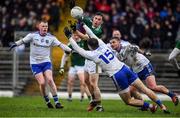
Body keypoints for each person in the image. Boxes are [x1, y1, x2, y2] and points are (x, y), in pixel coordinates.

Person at [63, 24, 170, 114]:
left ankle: (150, 106)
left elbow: (78, 48)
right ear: (97, 42)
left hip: (118, 75)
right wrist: (83, 24)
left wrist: (69, 37)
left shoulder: (92, 54)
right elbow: (91, 34)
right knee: (145, 89)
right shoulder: (104, 45)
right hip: (125, 69)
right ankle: (162, 106)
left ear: (90, 47)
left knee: (128, 101)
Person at [9, 20, 72, 109]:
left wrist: (70, 50)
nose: (45, 28)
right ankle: (47, 100)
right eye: (43, 26)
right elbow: (22, 41)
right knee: (42, 83)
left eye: (46, 27)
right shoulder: (32, 36)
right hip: (35, 63)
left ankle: (57, 102)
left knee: (50, 80)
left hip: (46, 62)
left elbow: (61, 45)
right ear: (39, 27)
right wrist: (15, 44)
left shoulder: (51, 38)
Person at [109, 37, 179, 106]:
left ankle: (172, 95)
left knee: (152, 87)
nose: (112, 44)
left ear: (119, 42)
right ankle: (143, 105)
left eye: (114, 42)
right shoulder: (116, 54)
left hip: (144, 65)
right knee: (132, 90)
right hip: (135, 69)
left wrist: (145, 53)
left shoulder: (126, 47)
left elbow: (136, 48)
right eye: (110, 43)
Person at [70, 12, 104, 111]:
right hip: (87, 58)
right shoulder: (88, 21)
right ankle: (94, 100)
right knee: (85, 81)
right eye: (96, 18)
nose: (97, 21)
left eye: (99, 20)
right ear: (92, 19)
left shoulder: (98, 32)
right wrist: (73, 9)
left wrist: (74, 30)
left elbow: (85, 38)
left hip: (96, 60)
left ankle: (100, 106)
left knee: (94, 84)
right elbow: (79, 15)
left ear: (101, 22)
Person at [59, 33, 91, 102]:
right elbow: (65, 56)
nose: (76, 37)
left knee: (83, 82)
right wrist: (61, 67)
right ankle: (69, 97)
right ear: (72, 36)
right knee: (70, 82)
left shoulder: (84, 43)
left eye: (77, 35)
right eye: (74, 35)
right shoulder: (70, 44)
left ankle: (84, 97)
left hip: (82, 66)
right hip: (73, 66)